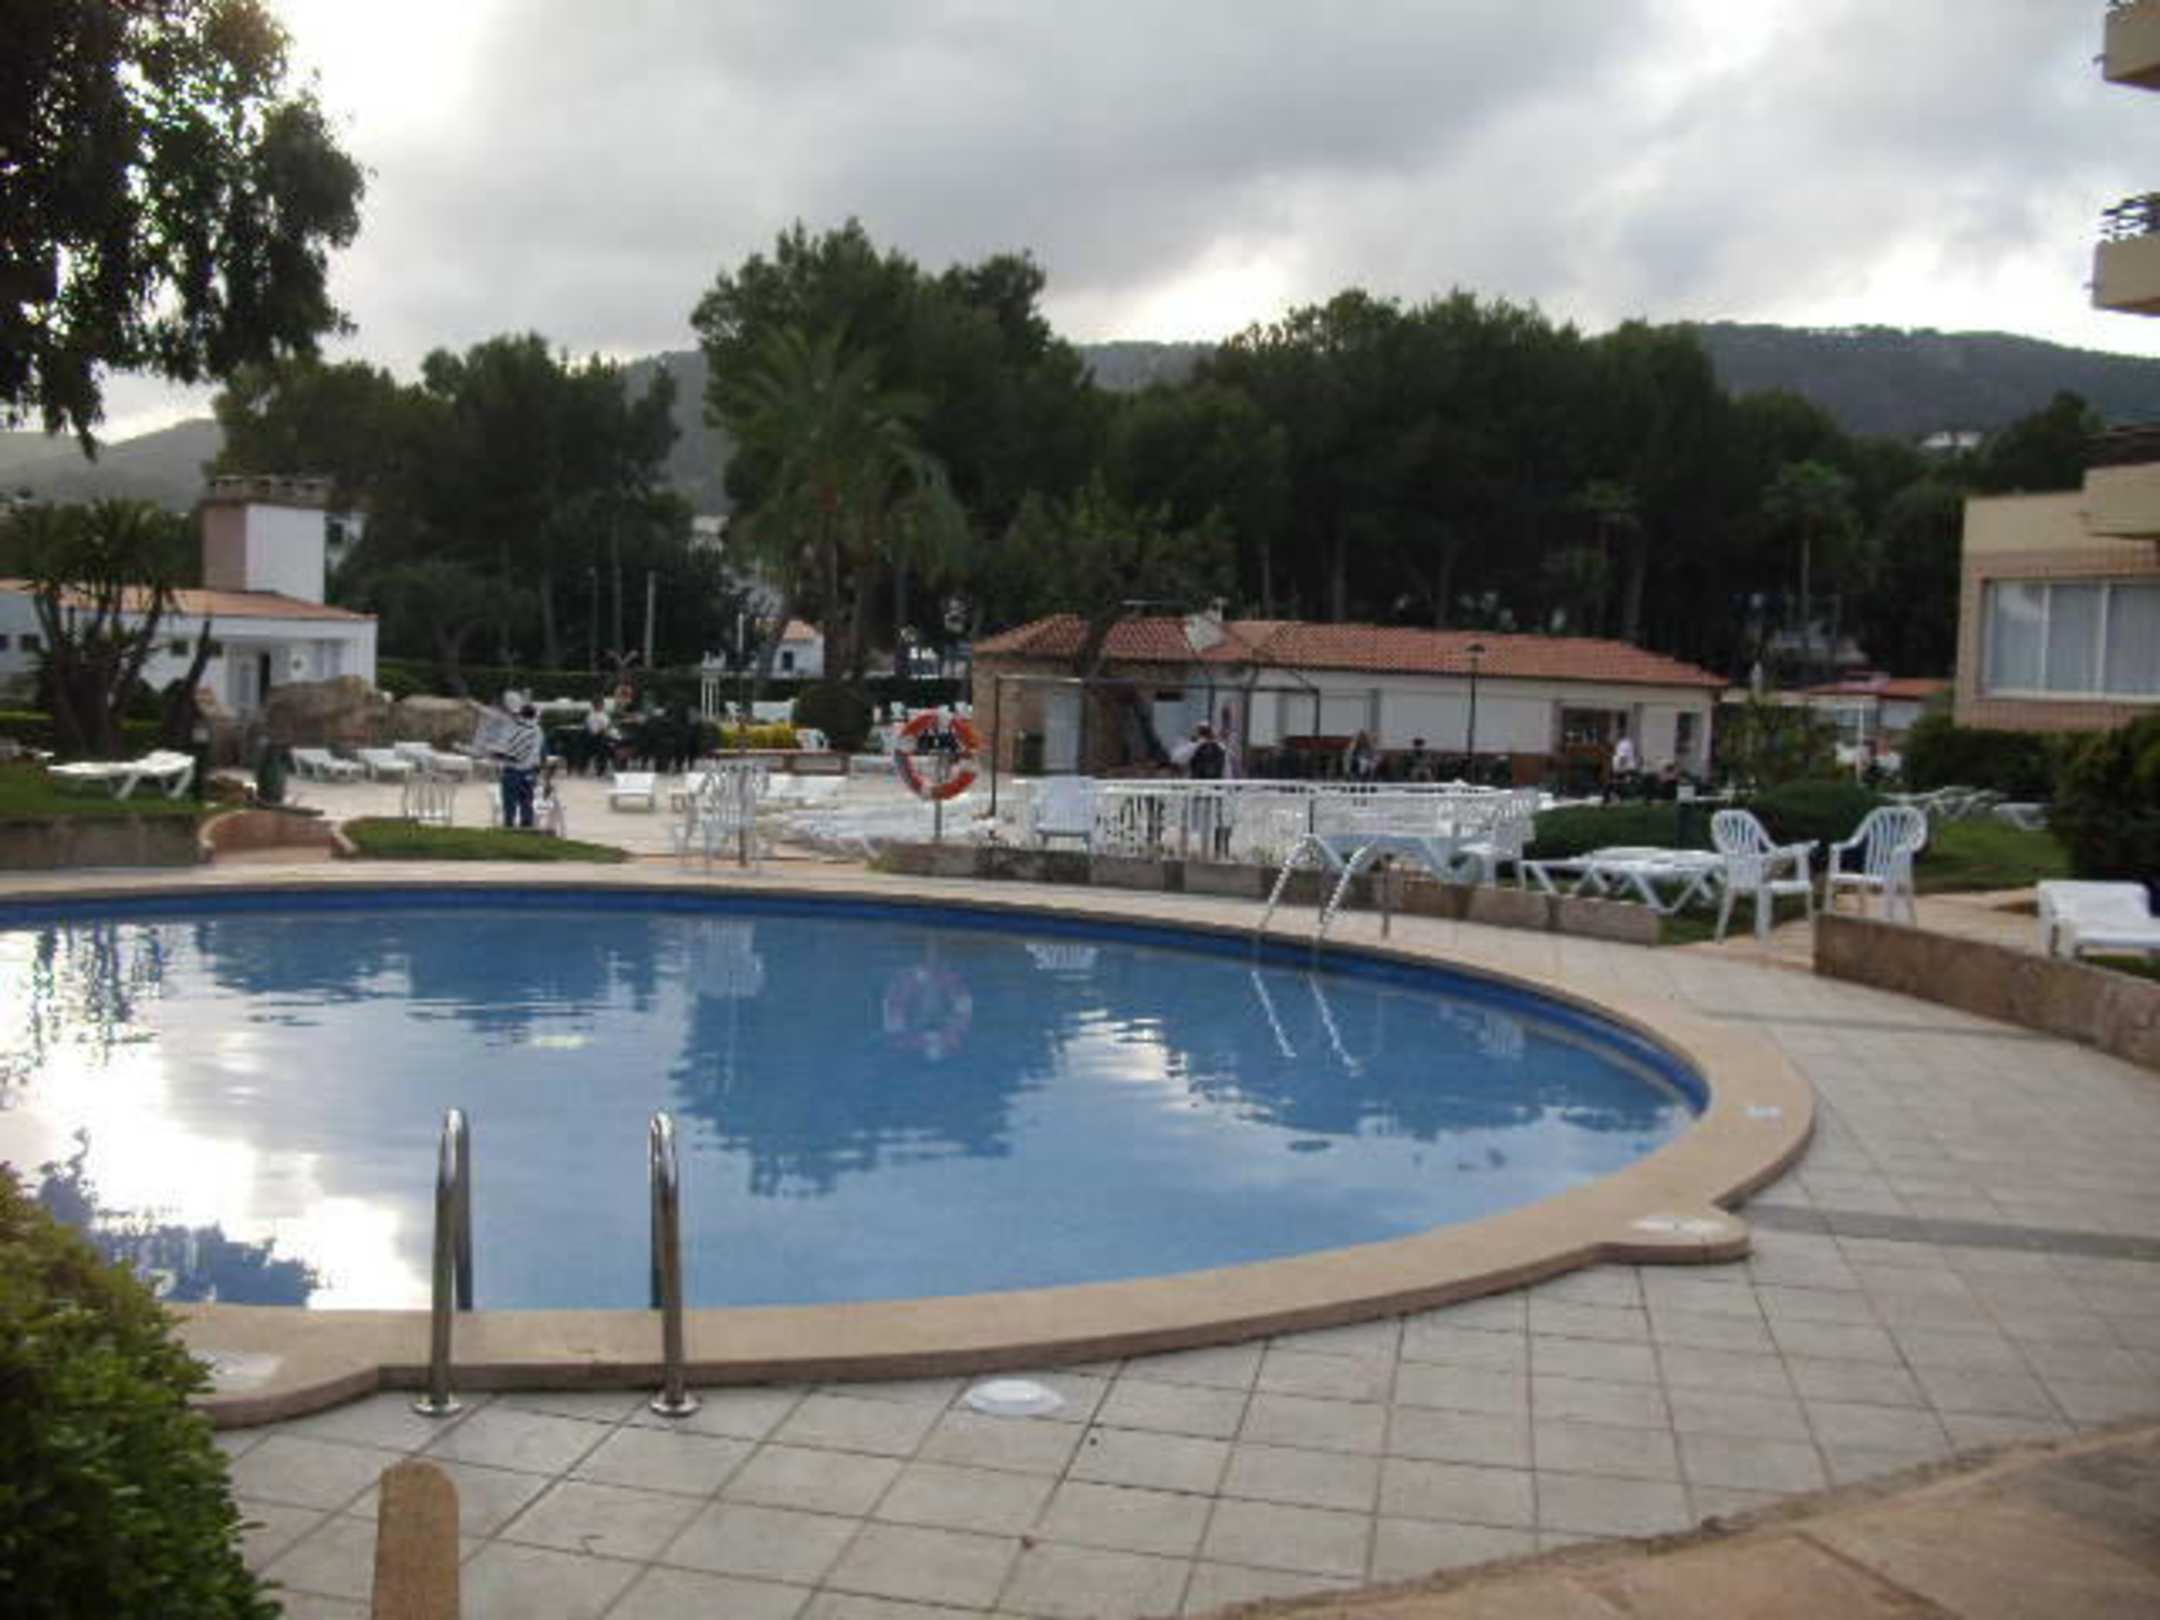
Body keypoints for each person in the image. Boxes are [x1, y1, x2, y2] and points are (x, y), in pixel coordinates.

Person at [493, 700, 544, 828]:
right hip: (529, 772)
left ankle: (509, 829)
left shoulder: (513, 729)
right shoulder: (538, 730)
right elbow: (538, 753)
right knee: (527, 804)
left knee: (509, 806)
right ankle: (526, 829)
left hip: (511, 771)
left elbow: (504, 749)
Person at [582, 697, 613, 777]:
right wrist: (603, 730)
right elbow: (593, 731)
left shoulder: (605, 715)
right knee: (603, 745)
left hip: (606, 736)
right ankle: (601, 769)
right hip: (595, 739)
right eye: (598, 704)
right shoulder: (591, 716)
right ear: (594, 705)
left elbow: (609, 726)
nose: (600, 706)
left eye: (601, 704)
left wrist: (607, 730)